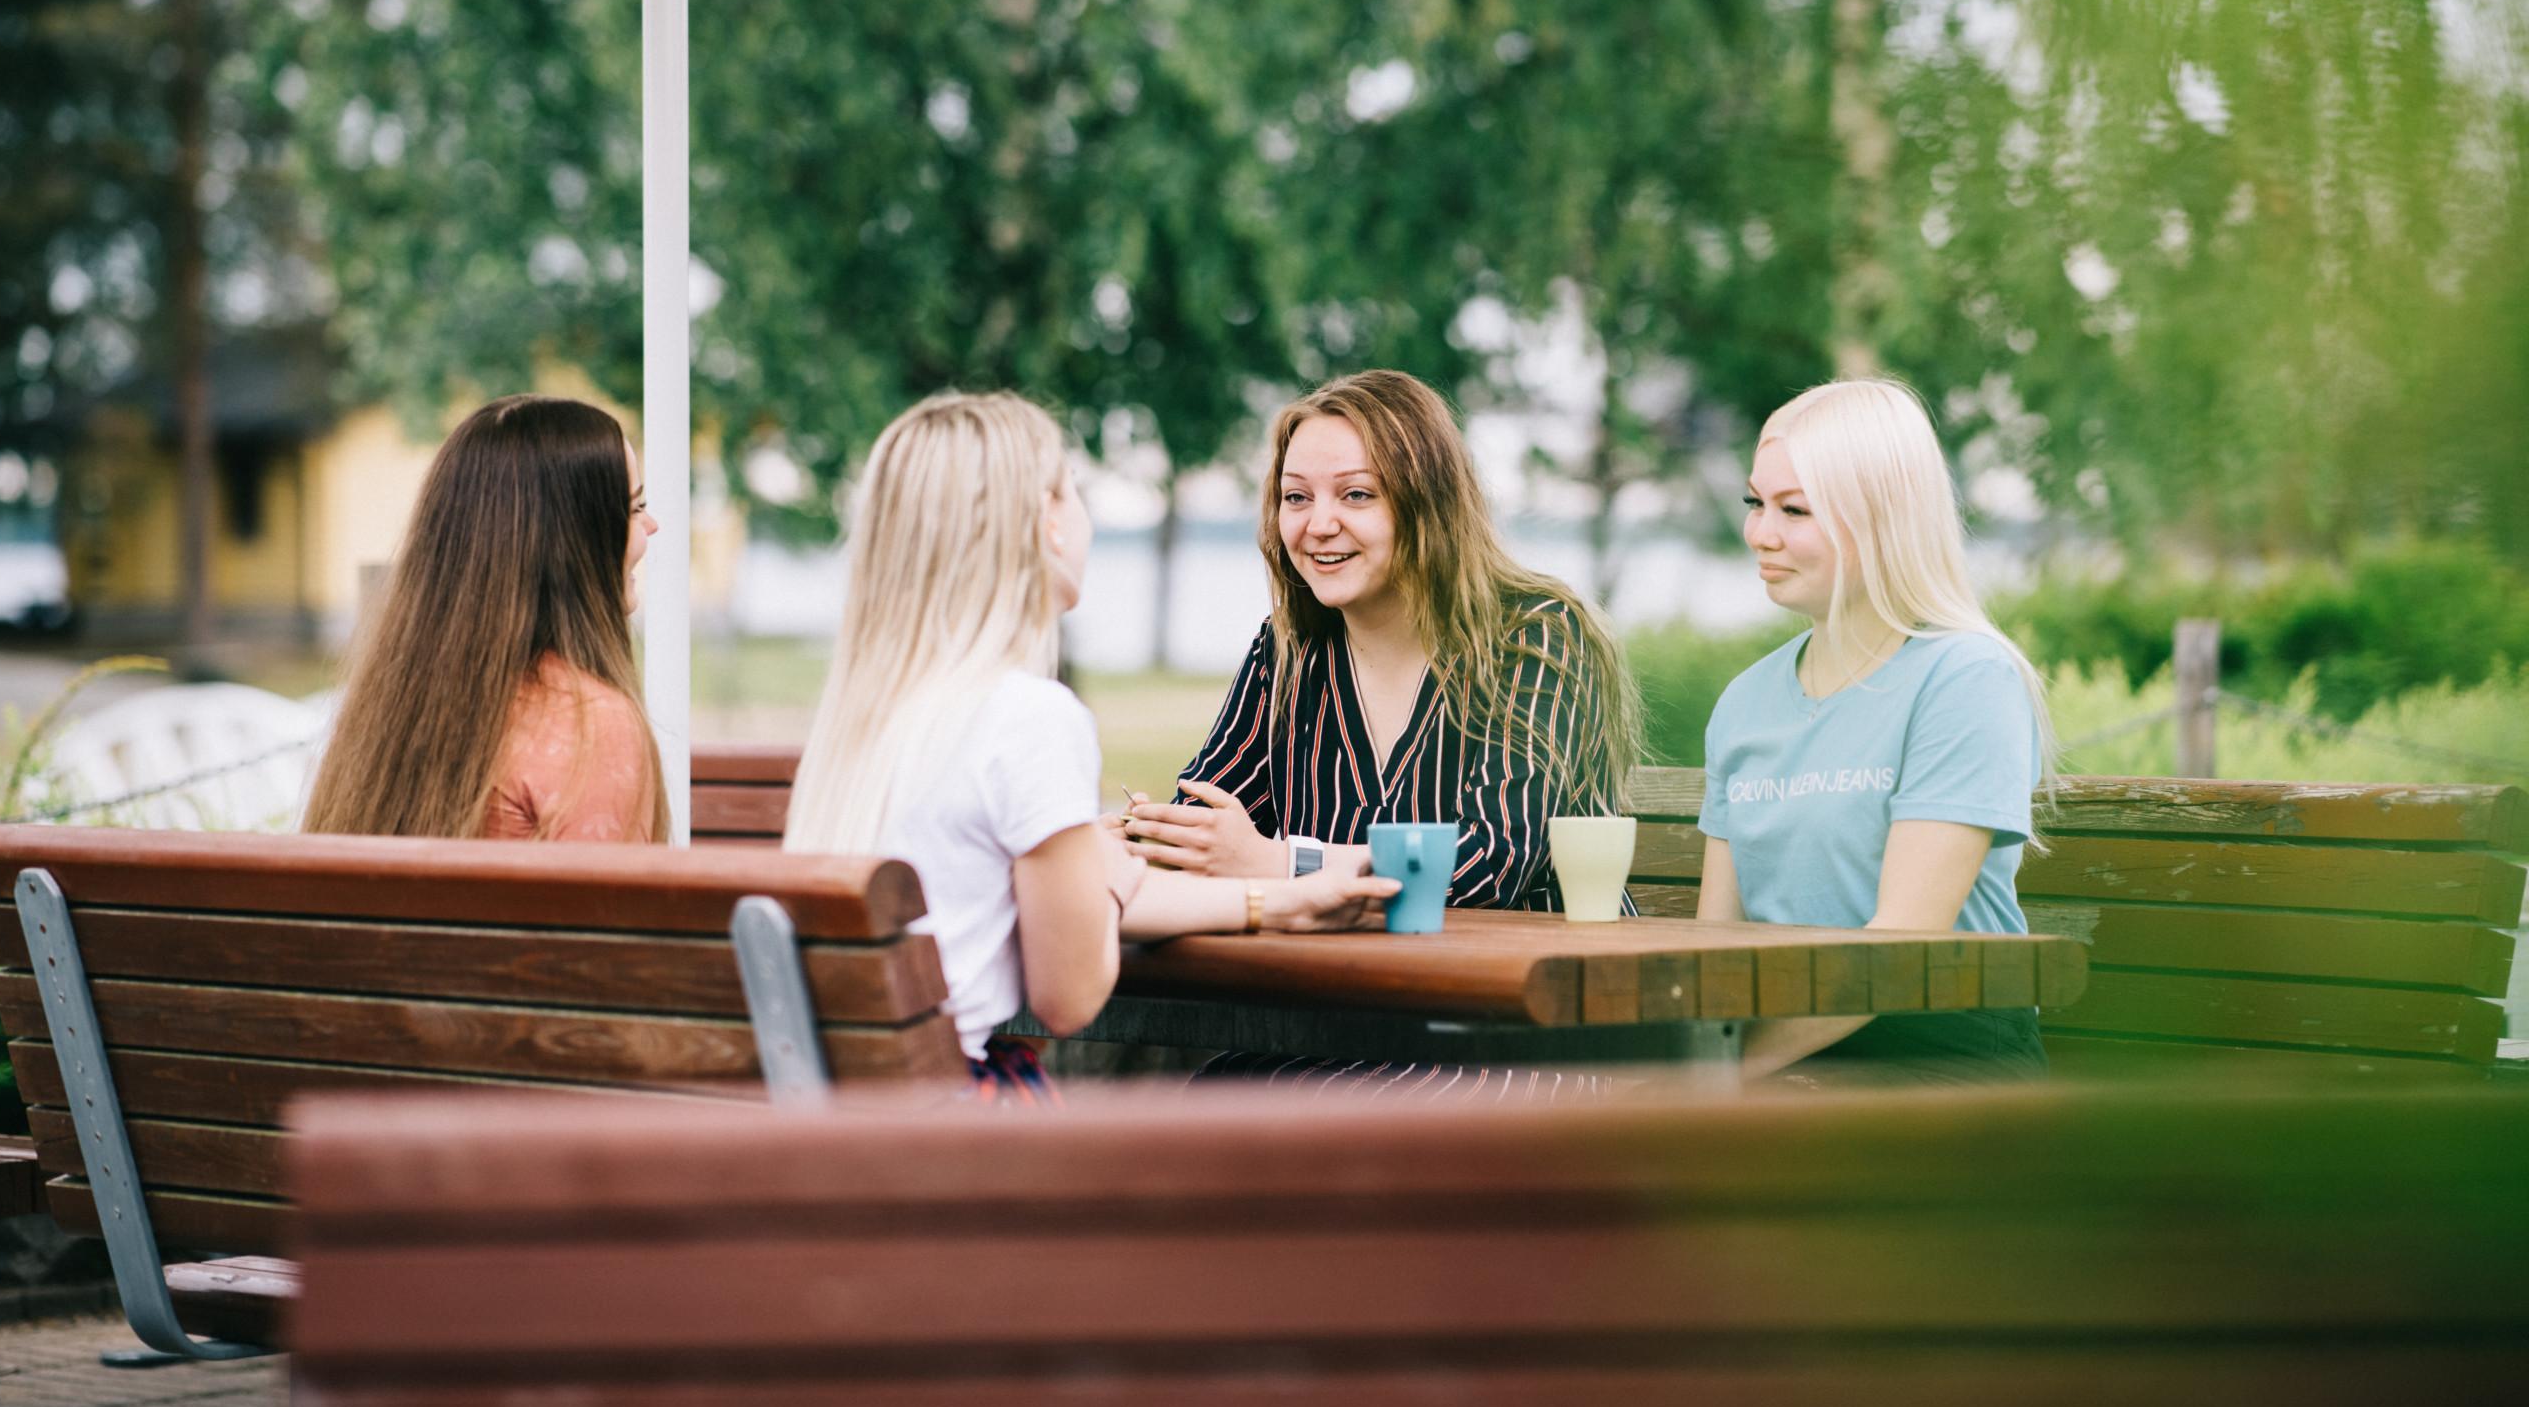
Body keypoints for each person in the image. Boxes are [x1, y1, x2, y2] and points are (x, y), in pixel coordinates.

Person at [782, 392, 1396, 1101]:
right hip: (960, 1132)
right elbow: (1070, 996)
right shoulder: (1030, 717)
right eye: (1073, 491)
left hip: (841, 1126)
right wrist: (1101, 866)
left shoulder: (869, 721)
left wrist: (1279, 899)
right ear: (1044, 522)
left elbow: (1081, 896)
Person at [1121, 369, 1641, 914]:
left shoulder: (1535, 636)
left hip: (1525, 987)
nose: (1318, 523)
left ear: (1427, 503)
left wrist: (1284, 864)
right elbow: (1209, 828)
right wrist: (1154, 835)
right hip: (1346, 985)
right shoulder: (1287, 652)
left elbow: (1489, 865)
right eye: (1296, 497)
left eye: (1357, 494)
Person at [1696, 376, 2056, 1085]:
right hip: (1781, 1059)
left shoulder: (1965, 678)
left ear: (1883, 518)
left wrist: (1724, 1072)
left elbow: (1901, 947)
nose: (1760, 533)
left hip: (1939, 1059)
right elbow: (1717, 943)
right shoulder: (1746, 701)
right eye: (1755, 502)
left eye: (1795, 509)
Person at [305, 395, 665, 843]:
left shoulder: (390, 713)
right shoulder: (591, 727)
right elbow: (605, 910)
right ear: (574, 542)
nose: (651, 525)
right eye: (633, 508)